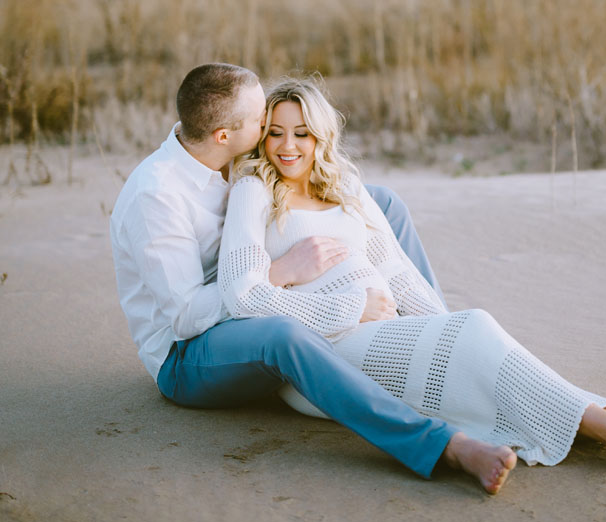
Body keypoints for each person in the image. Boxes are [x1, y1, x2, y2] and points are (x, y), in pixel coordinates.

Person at [218, 74, 606, 474]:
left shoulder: (346, 184)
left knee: (475, 334)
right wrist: (349, 307)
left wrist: (443, 327)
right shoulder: (255, 191)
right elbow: (241, 295)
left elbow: (396, 271)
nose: (288, 146)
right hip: (324, 354)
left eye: (302, 133)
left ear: (321, 136)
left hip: (381, 332)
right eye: (277, 133)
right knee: (477, 335)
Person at [110, 63, 517, 495]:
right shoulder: (156, 197)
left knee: (380, 203)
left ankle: (441, 341)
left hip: (247, 296)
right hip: (191, 355)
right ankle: (439, 443)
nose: (269, 121)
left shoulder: (227, 153)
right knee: (281, 334)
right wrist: (277, 274)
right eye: (261, 120)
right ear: (224, 135)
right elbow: (187, 317)